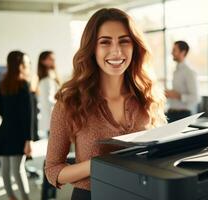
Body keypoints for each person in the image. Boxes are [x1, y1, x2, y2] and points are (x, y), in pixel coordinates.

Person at [45, 8, 166, 200]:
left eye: (124, 41)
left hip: (142, 194)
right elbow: (53, 170)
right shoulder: (70, 101)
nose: (116, 51)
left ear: (135, 46)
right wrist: (100, 164)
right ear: (92, 48)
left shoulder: (148, 96)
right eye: (105, 42)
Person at [0, 51, 33, 200]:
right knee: (18, 170)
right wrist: (29, 140)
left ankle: (11, 197)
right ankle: (25, 198)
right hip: (19, 134)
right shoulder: (23, 84)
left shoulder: (2, 84)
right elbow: (28, 115)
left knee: (5, 170)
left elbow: (0, 109)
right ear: (20, 65)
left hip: (4, 131)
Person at [165, 40, 200, 123]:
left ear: (183, 52)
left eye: (174, 50)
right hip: (171, 113)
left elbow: (196, 98)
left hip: (183, 116)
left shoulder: (189, 72)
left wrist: (179, 96)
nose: (171, 53)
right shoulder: (176, 71)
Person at [37, 51, 60, 137]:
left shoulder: (52, 77)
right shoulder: (45, 81)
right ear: (43, 61)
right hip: (51, 121)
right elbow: (48, 102)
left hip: (54, 120)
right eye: (50, 58)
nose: (54, 60)